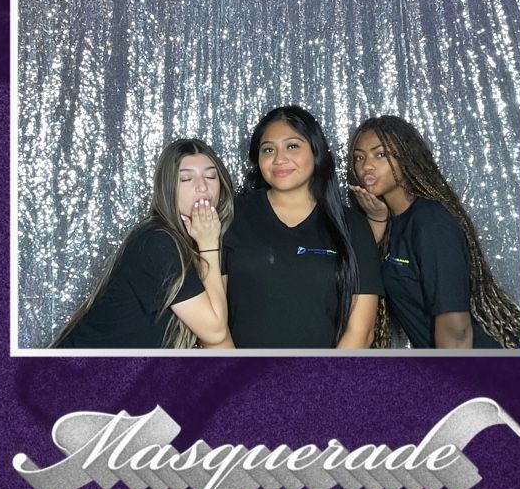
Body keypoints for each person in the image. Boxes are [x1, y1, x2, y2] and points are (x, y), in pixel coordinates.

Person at [348, 117, 520, 350]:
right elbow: (357, 278)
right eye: (359, 157)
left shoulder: (431, 221)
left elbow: (457, 330)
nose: (366, 165)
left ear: (407, 157)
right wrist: (376, 219)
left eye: (380, 154)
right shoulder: (388, 222)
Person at [223, 106, 383, 348]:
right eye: (268, 150)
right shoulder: (230, 217)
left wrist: (324, 374)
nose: (279, 159)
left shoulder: (351, 225)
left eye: (292, 146)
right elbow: (212, 320)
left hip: (325, 371)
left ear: (316, 151)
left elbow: (361, 332)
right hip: (242, 370)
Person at [53, 140, 234, 350]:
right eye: (186, 178)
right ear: (168, 189)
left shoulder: (210, 239)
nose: (202, 186)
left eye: (211, 176)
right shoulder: (156, 242)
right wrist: (209, 246)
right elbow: (214, 332)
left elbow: (218, 338)